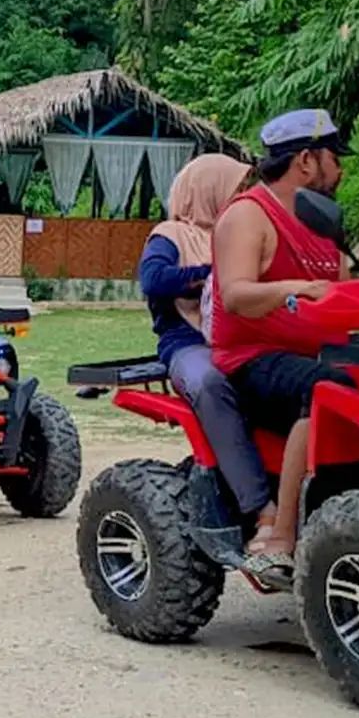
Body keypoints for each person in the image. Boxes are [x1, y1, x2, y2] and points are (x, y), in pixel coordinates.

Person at [209, 109, 356, 582]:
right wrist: (297, 288)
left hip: (318, 352)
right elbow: (235, 295)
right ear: (307, 161)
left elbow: (346, 293)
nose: (342, 170)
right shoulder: (250, 215)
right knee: (325, 387)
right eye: (335, 158)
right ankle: (281, 538)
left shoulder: (323, 221)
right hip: (253, 360)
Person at [139, 154, 274, 547]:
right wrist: (208, 277)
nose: (242, 196)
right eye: (234, 189)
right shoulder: (171, 234)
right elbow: (154, 280)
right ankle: (259, 505)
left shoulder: (237, 232)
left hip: (242, 337)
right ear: (207, 191)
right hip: (188, 342)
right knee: (211, 384)